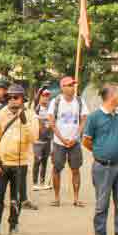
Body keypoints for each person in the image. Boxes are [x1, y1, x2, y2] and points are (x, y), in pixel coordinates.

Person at [82, 83, 118, 235]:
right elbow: (86, 141)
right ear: (111, 96)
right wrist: (100, 153)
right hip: (103, 167)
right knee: (102, 203)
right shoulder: (94, 117)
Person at [0, 83, 36, 235]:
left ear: (22, 99)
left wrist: (24, 122)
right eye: (9, 97)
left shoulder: (30, 115)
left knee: (16, 198)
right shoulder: (0, 114)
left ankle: (13, 226)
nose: (12, 100)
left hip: (20, 163)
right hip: (2, 162)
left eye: (16, 97)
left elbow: (33, 138)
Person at [47, 75, 86, 207]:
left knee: (76, 169)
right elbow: (52, 122)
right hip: (59, 143)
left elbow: (83, 120)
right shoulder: (56, 102)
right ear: (62, 88)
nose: (72, 87)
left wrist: (75, 137)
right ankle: (57, 198)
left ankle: (76, 198)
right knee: (57, 169)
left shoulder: (80, 101)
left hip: (75, 143)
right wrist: (62, 139)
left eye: (73, 85)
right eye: (69, 85)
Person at [32, 87, 53, 191]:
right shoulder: (37, 107)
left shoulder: (51, 109)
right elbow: (36, 99)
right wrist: (42, 88)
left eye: (47, 97)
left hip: (48, 138)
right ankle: (34, 183)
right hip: (38, 139)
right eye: (43, 96)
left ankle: (42, 182)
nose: (45, 99)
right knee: (37, 160)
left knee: (45, 160)